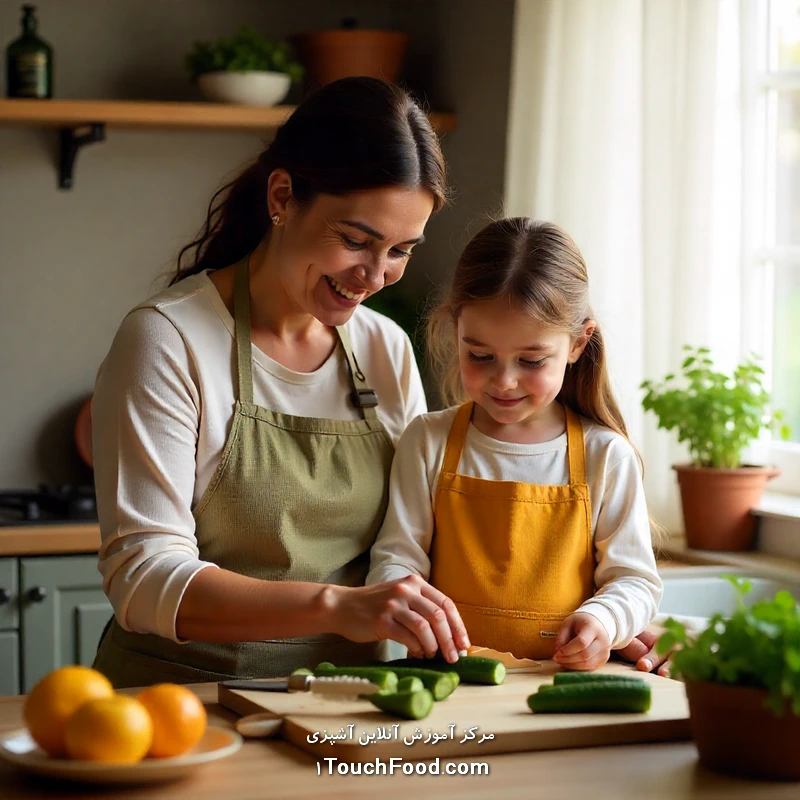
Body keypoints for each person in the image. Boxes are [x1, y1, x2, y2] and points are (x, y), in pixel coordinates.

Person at [91, 77, 471, 687]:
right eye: (356, 240)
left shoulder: (386, 350)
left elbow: (421, 539)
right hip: (185, 708)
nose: (375, 275)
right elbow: (143, 578)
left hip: (346, 709)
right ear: (283, 196)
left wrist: (602, 620)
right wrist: (338, 608)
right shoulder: (169, 340)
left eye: (401, 250)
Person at [367, 218, 663, 671]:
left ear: (578, 344)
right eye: (479, 356)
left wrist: (602, 619)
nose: (504, 381)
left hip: (561, 689)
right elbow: (396, 559)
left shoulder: (607, 456)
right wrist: (401, 592)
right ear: (455, 331)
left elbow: (635, 581)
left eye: (531, 360)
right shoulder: (427, 441)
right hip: (448, 687)